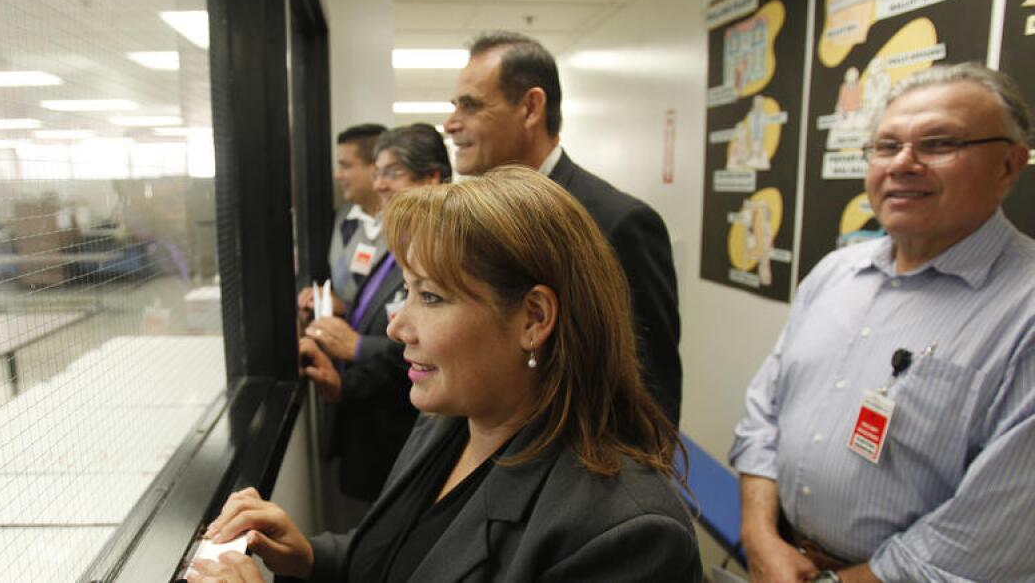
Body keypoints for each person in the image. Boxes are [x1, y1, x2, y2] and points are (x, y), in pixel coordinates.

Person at [190, 166, 702, 582]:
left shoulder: (629, 535)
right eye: (406, 291)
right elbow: (397, 558)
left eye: (431, 297)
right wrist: (312, 558)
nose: (396, 326)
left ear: (533, 319)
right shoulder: (448, 423)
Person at [730, 63, 1035, 582]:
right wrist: (759, 536)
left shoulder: (1023, 312)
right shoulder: (836, 273)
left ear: (1008, 165)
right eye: (886, 147)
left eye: (938, 143)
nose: (903, 164)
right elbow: (763, 412)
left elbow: (987, 536)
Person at [443, 30, 683, 427]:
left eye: (470, 106)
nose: (451, 123)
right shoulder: (477, 223)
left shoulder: (618, 224)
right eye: (454, 106)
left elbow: (651, 395)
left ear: (531, 108)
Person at [300, 124, 451, 509]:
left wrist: (357, 347)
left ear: (432, 177)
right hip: (375, 421)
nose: (380, 184)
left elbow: (437, 348)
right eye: (378, 171)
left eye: (392, 172)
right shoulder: (405, 238)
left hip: (407, 428)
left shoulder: (450, 250)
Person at [325, 123, 387, 306]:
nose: (338, 175)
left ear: (376, 168)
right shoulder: (343, 218)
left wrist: (344, 308)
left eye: (345, 166)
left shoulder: (404, 222)